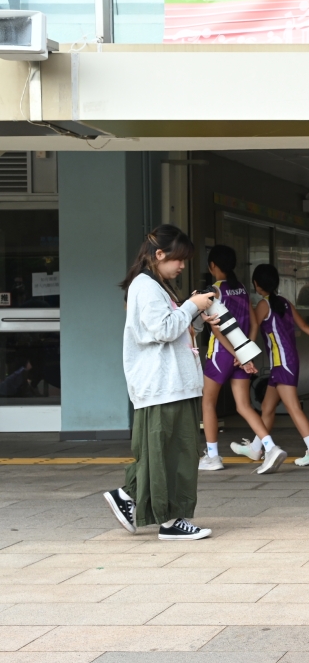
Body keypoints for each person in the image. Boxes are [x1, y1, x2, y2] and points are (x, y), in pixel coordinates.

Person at [102, 224, 217, 542]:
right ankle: (170, 520)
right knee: (173, 454)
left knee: (168, 452)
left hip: (171, 384)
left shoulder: (155, 285)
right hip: (162, 385)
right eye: (178, 259)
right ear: (160, 254)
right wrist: (192, 306)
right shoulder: (147, 286)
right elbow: (163, 329)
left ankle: (128, 497)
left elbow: (172, 329)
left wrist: (195, 316)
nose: (182, 266)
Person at [226, 263, 309, 472]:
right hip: (287, 362)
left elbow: (252, 327)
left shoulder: (263, 305)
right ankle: (255, 448)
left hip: (282, 363)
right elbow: (303, 326)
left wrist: (243, 355)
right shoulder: (285, 303)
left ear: (256, 284)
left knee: (293, 407)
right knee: (267, 408)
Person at [197, 245, 278, 474]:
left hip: (221, 354)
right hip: (241, 356)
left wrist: (236, 355)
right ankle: (270, 447)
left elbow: (217, 330)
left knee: (208, 402)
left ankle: (213, 456)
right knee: (243, 405)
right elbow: (253, 323)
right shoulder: (241, 288)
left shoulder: (214, 291)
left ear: (212, 265)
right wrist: (245, 353)